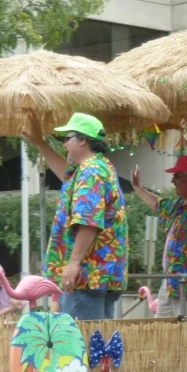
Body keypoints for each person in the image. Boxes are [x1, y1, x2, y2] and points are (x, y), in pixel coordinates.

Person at [26, 112, 128, 320]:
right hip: (101, 274)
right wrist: (39, 143)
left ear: (82, 140)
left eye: (67, 138)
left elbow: (89, 220)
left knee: (81, 345)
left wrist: (73, 264)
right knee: (99, 344)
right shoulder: (99, 167)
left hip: (85, 276)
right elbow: (66, 175)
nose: (64, 145)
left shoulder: (90, 172)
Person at [131, 155, 187, 317]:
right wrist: (137, 187)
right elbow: (156, 204)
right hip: (170, 286)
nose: (173, 181)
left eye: (177, 176)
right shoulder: (178, 205)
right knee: (164, 336)